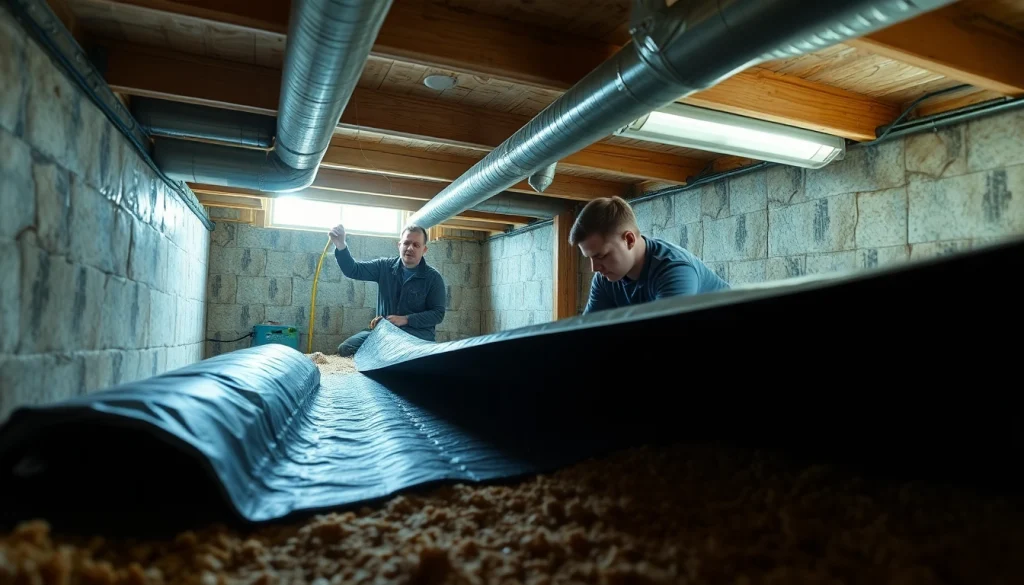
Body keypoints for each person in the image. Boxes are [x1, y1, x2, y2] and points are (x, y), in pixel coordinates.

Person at [571, 196, 729, 314]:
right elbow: (587, 335)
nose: (594, 268)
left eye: (601, 255)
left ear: (629, 239)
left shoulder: (674, 271)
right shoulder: (604, 280)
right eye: (590, 258)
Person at [329, 223, 446, 356]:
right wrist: (341, 245)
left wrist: (406, 319)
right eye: (406, 243)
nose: (410, 248)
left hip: (417, 335)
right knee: (347, 348)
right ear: (399, 245)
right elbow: (353, 270)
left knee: (405, 353)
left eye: (416, 245)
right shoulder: (384, 267)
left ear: (424, 250)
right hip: (386, 331)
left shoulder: (433, 278)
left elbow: (438, 314)